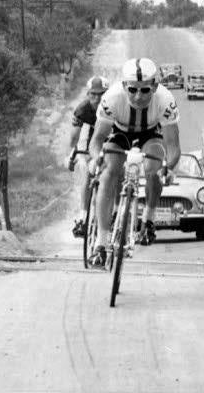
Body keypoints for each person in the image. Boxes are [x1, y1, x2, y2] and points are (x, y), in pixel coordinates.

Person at [88, 58, 181, 266]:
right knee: (108, 172)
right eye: (132, 90)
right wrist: (96, 159)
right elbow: (96, 141)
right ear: (123, 86)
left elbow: (173, 147)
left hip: (151, 134)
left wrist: (169, 168)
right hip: (119, 132)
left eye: (145, 90)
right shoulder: (111, 98)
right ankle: (101, 244)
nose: (138, 96)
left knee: (154, 168)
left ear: (155, 86)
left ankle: (148, 219)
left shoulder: (165, 100)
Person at [66, 75, 109, 237]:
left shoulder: (113, 106)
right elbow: (74, 137)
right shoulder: (82, 109)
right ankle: (82, 218)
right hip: (93, 140)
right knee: (85, 171)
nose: (97, 98)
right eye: (93, 94)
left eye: (101, 94)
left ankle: (115, 213)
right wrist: (72, 155)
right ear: (88, 94)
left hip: (111, 138)